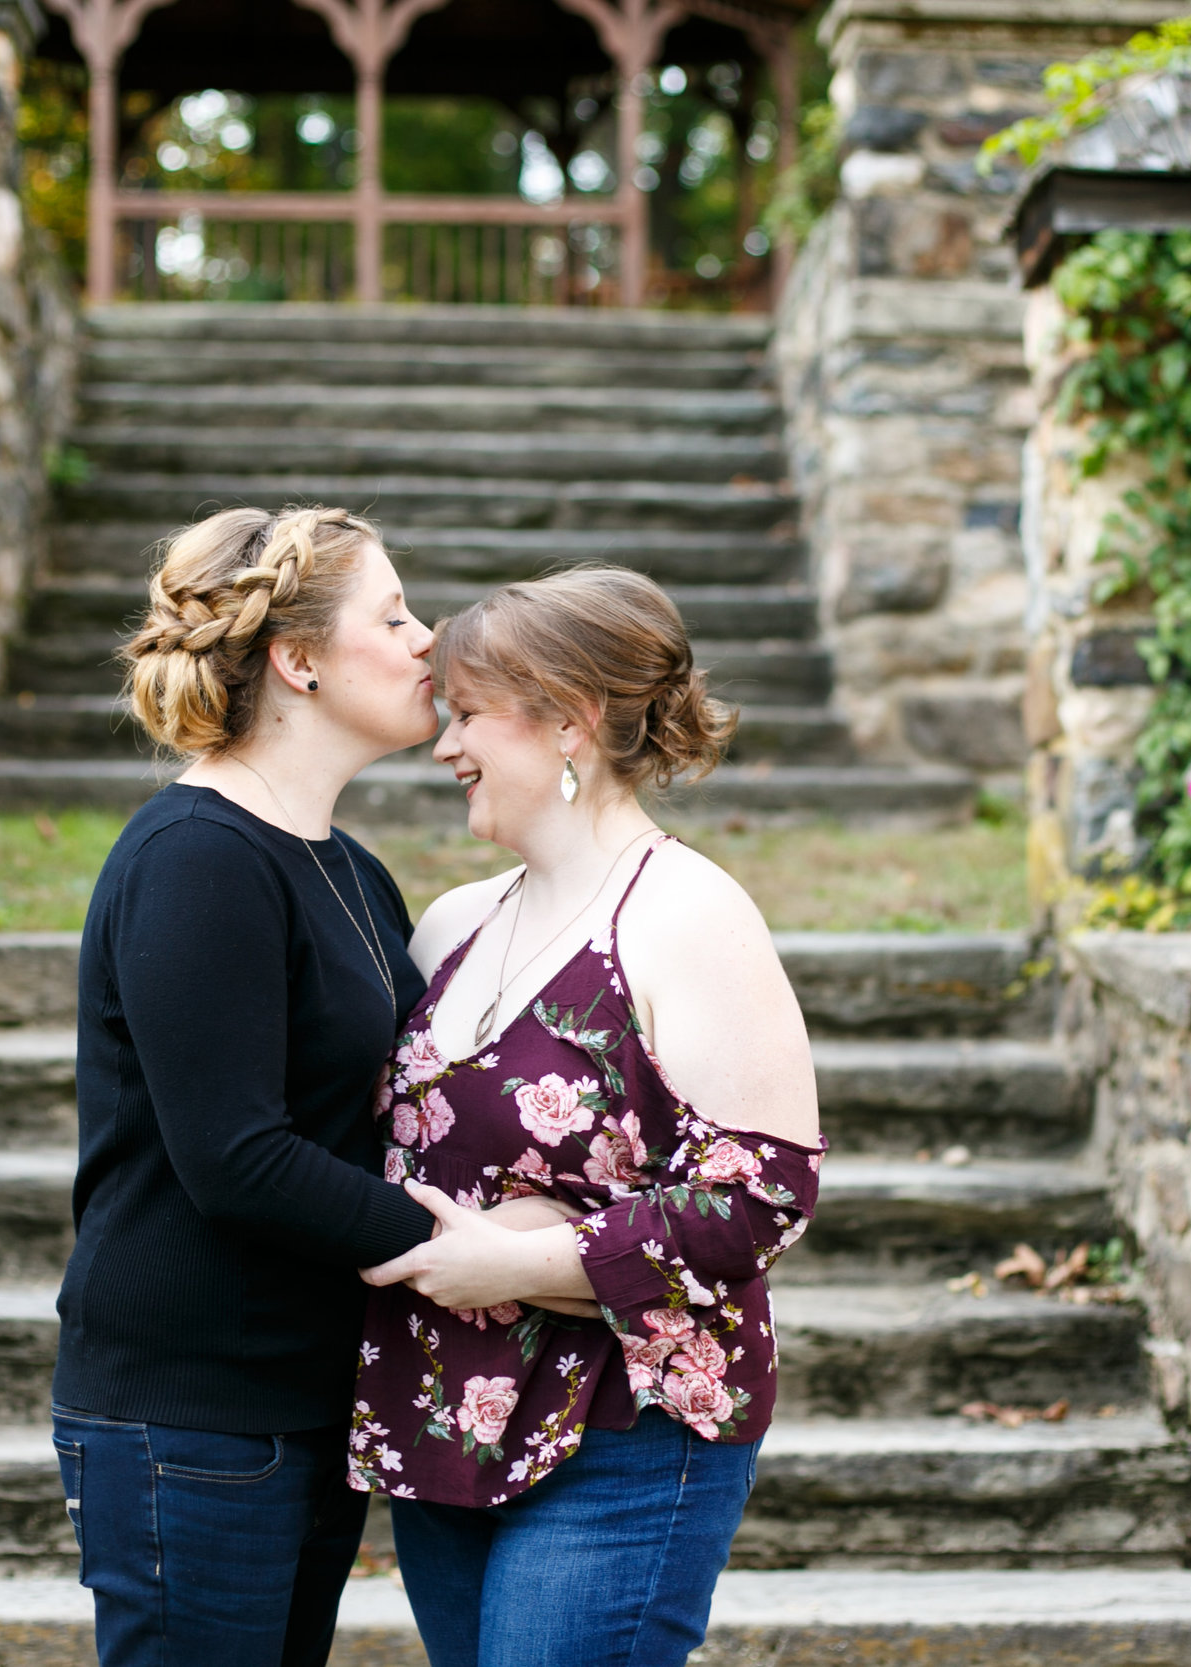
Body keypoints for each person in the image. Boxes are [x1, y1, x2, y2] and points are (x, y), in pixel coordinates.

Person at [351, 565, 824, 1667]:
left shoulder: (686, 912)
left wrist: (525, 1261)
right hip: (444, 1423)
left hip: (621, 1428)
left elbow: (762, 1192)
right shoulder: (454, 924)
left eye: (466, 715)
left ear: (568, 719)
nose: (443, 746)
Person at [51, 504, 449, 1667]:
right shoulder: (197, 858)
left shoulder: (347, 867)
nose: (428, 639)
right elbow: (235, 1157)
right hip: (192, 1409)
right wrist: (452, 1240)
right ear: (300, 659)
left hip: (306, 1394)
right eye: (393, 614)